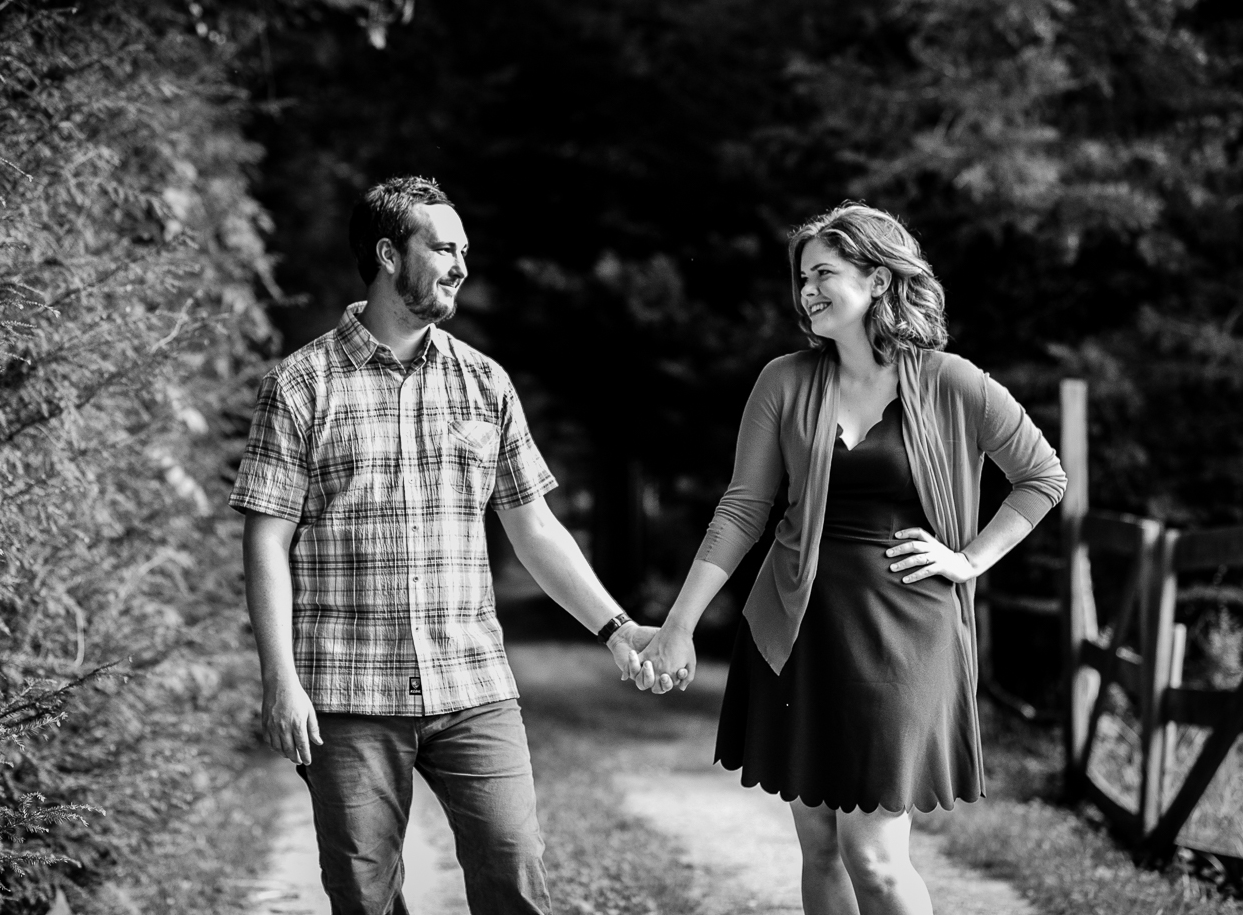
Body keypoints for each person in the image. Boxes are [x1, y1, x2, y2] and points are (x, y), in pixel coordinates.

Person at [229, 175, 662, 915]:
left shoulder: (483, 383)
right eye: (444, 247)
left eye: (466, 249)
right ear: (388, 253)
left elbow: (534, 527)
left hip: (472, 685)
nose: (461, 263)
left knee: (514, 871)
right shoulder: (299, 386)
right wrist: (280, 680)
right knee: (365, 897)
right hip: (347, 689)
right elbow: (266, 539)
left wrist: (618, 628)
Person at [634, 202, 1067, 915]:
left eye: (824, 273)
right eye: (802, 277)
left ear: (878, 278)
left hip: (905, 634)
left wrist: (970, 560)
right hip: (799, 630)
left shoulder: (952, 380)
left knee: (875, 855)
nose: (807, 290)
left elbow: (1043, 477)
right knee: (821, 848)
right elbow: (744, 508)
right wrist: (678, 623)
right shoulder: (783, 381)